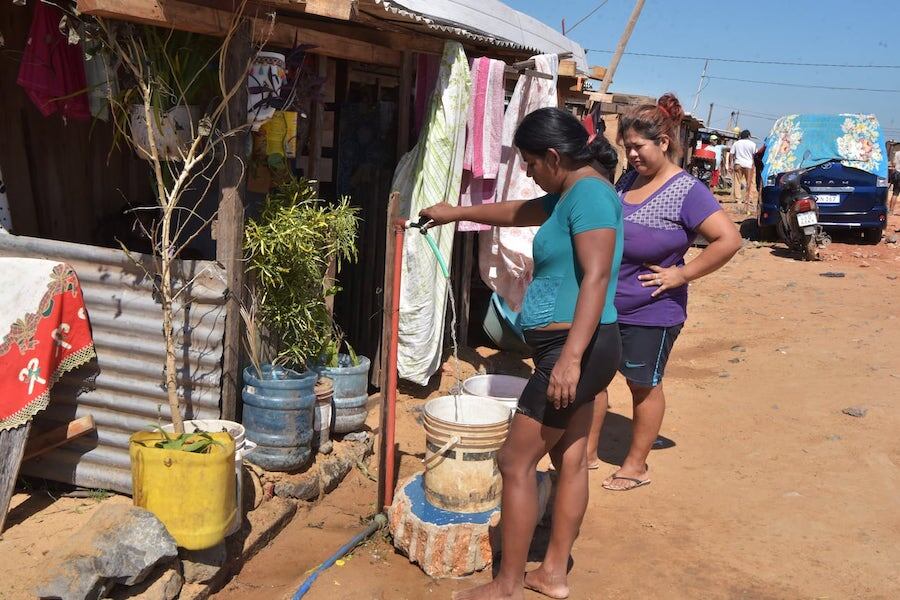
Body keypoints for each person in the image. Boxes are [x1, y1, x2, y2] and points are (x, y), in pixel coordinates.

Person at [420, 107, 623, 600]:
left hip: (576, 348)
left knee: (515, 462)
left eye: (531, 163)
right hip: (579, 346)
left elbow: (596, 277)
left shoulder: (590, 195)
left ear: (554, 157)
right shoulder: (570, 193)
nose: (528, 172)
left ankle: (506, 584)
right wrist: (456, 212)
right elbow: (515, 212)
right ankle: (552, 574)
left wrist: (570, 359)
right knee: (570, 460)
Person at [582, 94, 742, 490]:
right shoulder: (629, 179)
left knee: (643, 384)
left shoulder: (687, 190)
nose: (631, 155)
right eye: (627, 148)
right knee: (593, 378)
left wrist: (681, 276)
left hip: (651, 310)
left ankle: (635, 465)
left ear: (664, 143)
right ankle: (585, 455)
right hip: (606, 303)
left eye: (638, 147)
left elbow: (729, 239)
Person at [731, 130, 758, 210]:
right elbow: (755, 155)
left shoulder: (736, 143)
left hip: (738, 163)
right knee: (750, 182)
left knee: (737, 181)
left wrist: (730, 164)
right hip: (749, 165)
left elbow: (731, 154)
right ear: (749, 136)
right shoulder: (753, 144)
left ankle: (738, 199)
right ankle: (748, 199)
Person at [890, 142, 900, 215]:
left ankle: (891, 211)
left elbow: (893, 164)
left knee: (895, 193)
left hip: (898, 174)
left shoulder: (897, 153)